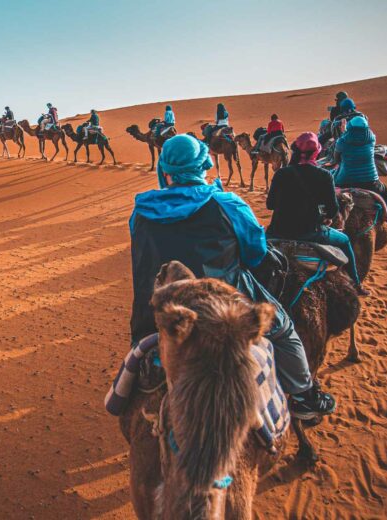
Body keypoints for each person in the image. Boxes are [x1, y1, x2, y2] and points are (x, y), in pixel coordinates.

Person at [129, 134, 336, 419]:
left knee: (142, 346)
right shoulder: (227, 204)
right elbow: (256, 254)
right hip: (224, 309)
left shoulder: (141, 212)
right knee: (284, 330)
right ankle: (304, 397)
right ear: (204, 165)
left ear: (164, 170)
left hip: (156, 310)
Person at [266, 132, 367, 295]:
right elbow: (333, 210)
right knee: (345, 241)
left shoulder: (281, 174)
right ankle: (356, 284)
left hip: (277, 231)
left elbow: (270, 204)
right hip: (311, 233)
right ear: (316, 153)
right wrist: (324, 217)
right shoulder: (324, 176)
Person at [330, 116, 387, 211]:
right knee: (384, 190)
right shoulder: (371, 139)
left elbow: (336, 159)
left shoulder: (342, 141)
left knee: (330, 191)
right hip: (370, 181)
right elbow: (358, 139)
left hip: (345, 181)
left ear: (350, 127)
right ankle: (386, 217)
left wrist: (343, 133)